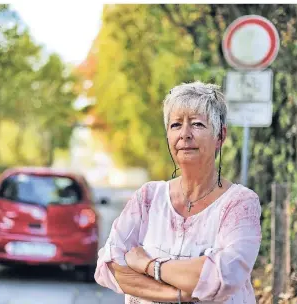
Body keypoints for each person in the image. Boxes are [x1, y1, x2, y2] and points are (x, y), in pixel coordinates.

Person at [94, 81, 262, 304]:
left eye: (197, 124)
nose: (185, 134)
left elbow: (223, 277)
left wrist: (148, 265)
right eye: (175, 125)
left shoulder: (240, 204)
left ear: (220, 136)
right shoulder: (148, 198)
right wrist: (179, 295)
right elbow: (109, 266)